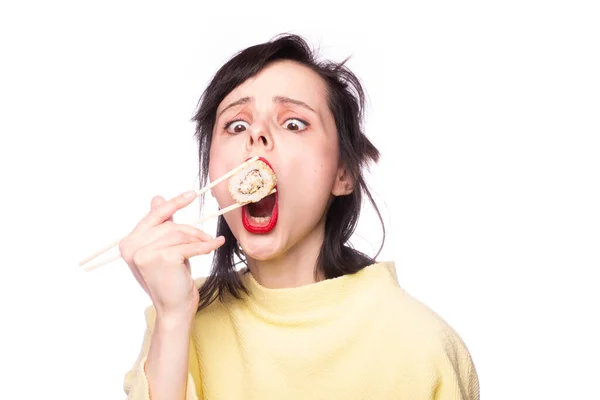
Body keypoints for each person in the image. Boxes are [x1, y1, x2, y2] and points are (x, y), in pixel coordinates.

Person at [121, 33, 480, 400]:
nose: (256, 134)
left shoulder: (420, 346)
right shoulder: (177, 320)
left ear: (344, 173)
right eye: (236, 125)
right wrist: (173, 318)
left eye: (293, 123)